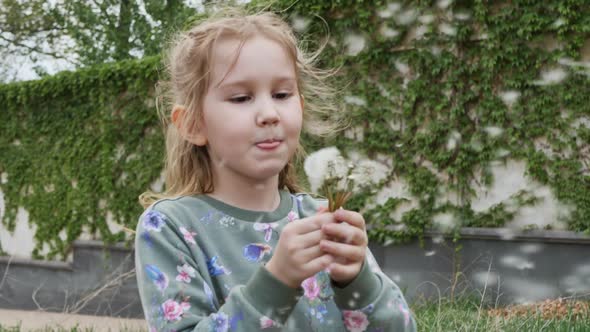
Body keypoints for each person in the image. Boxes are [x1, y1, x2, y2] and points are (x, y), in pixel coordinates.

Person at [135, 7, 416, 332]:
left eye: (282, 94)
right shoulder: (170, 228)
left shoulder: (322, 218)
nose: (269, 113)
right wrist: (276, 282)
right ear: (193, 124)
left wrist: (357, 281)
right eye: (241, 98)